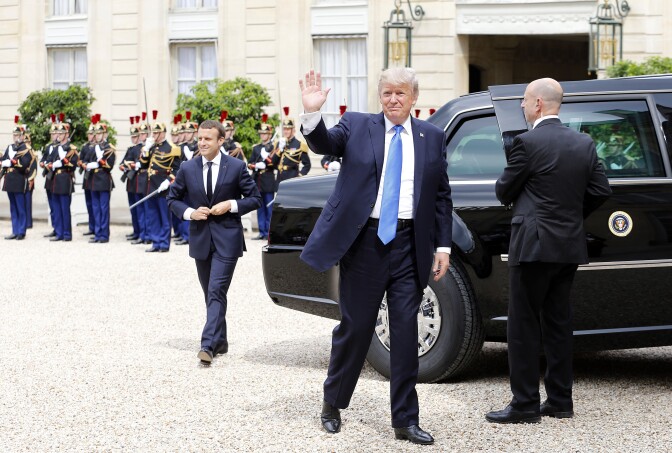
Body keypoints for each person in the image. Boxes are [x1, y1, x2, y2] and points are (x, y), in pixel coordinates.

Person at [298, 68, 452, 445]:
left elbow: (441, 196)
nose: (393, 100)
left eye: (400, 93)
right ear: (379, 97)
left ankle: (405, 419)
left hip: (410, 245)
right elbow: (323, 144)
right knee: (356, 327)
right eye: (387, 93)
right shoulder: (356, 125)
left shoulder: (431, 136)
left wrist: (443, 246)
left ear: (413, 97)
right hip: (365, 243)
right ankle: (333, 401)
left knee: (405, 333)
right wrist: (312, 113)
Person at [485, 78, 612, 424]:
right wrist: (571, 216)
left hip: (533, 244)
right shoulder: (583, 142)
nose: (523, 108)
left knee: (523, 324)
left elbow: (503, 190)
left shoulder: (526, 143)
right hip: (568, 245)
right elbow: (601, 189)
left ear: (538, 103)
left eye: (525, 102)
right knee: (558, 323)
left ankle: (524, 404)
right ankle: (559, 400)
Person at [166, 120, 261, 364]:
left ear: (221, 141)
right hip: (200, 239)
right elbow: (172, 199)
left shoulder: (237, 166)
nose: (202, 142)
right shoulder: (187, 168)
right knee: (211, 293)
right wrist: (190, 213)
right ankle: (221, 340)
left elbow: (255, 198)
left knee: (216, 290)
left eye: (208, 138)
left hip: (228, 239)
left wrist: (231, 205)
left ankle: (207, 345)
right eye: (200, 138)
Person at [139, 111, 181, 253]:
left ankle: (164, 243)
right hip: (151, 186)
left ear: (163, 133)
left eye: (157, 133)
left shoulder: (172, 148)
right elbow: (144, 165)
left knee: (164, 216)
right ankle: (156, 242)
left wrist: (168, 182)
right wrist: (145, 150)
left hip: (163, 186)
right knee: (152, 216)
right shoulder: (152, 147)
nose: (154, 135)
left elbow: (177, 170)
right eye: (153, 133)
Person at [45, 121, 78, 242]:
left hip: (64, 179)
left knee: (64, 208)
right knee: (56, 208)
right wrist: (52, 164)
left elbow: (73, 165)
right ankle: (59, 233)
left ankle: (67, 234)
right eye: (58, 132)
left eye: (61, 132)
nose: (58, 134)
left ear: (67, 134)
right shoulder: (57, 148)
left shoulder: (71, 149)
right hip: (54, 180)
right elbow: (48, 161)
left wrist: (64, 160)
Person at [84, 119, 116, 244]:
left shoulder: (109, 148)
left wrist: (99, 160)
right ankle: (97, 233)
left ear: (105, 134)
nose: (97, 136)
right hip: (93, 180)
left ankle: (104, 234)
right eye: (96, 134)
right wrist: (89, 164)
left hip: (103, 180)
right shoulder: (93, 147)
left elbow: (109, 165)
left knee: (103, 208)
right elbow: (85, 160)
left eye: (99, 133)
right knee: (95, 208)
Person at [2, 116, 33, 240]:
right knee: (13, 207)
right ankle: (15, 230)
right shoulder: (10, 147)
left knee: (20, 206)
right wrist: (6, 162)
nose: (15, 137)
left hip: (19, 179)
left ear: (22, 136)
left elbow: (24, 164)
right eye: (14, 135)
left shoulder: (26, 149)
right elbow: (3, 160)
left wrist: (11, 162)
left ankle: (21, 231)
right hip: (9, 179)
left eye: (18, 135)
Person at [247, 121, 276, 240]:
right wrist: (256, 165)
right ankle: (261, 231)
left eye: (265, 134)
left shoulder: (273, 148)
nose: (263, 136)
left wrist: (266, 162)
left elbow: (275, 163)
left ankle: (269, 233)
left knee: (269, 207)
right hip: (258, 181)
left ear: (270, 135)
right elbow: (250, 163)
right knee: (260, 207)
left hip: (268, 180)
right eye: (261, 134)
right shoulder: (256, 148)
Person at [175, 112, 199, 246]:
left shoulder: (198, 146)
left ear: (195, 133)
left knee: (192, 208)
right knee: (184, 207)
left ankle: (190, 235)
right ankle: (184, 234)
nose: (187, 134)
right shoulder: (181, 146)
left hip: (194, 181)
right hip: (183, 180)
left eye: (190, 132)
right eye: (186, 132)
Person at [119, 116, 143, 241]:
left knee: (140, 209)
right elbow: (122, 163)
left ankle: (142, 233)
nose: (133, 138)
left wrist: (130, 165)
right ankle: (136, 231)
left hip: (139, 182)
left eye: (135, 136)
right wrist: (125, 166)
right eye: (132, 136)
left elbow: (140, 164)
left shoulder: (142, 149)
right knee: (133, 208)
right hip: (131, 182)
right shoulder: (130, 149)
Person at [273, 116, 311, 187]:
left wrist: (299, 175)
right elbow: (273, 162)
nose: (286, 131)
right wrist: (280, 150)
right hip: (279, 180)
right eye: (284, 129)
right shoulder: (279, 143)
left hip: (292, 179)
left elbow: (307, 165)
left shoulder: (299, 144)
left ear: (293, 130)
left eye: (288, 129)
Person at [40, 116, 59, 238]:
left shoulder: (62, 147)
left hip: (57, 178)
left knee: (57, 205)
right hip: (49, 177)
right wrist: (43, 163)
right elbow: (43, 159)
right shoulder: (48, 147)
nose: (53, 136)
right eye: (52, 134)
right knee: (52, 206)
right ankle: (54, 227)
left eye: (55, 133)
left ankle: (59, 229)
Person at [78, 119, 97, 236]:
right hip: (87, 177)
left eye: (91, 134)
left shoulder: (98, 147)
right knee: (89, 204)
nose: (89, 136)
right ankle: (91, 226)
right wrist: (81, 164)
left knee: (95, 204)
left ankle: (97, 227)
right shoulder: (85, 147)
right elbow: (81, 159)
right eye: (89, 134)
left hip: (95, 176)